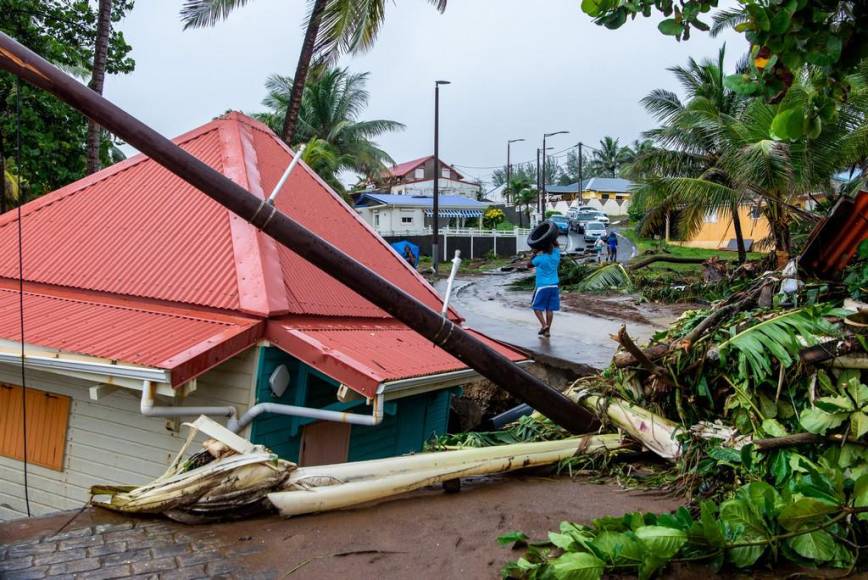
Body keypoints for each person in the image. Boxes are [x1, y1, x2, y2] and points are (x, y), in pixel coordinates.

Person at [529, 239, 560, 337]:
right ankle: (547, 331)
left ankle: (544, 325)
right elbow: (556, 245)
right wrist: (551, 237)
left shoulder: (539, 259)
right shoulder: (556, 255)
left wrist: (534, 253)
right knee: (549, 309)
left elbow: (529, 264)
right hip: (554, 286)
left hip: (542, 286)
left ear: (542, 248)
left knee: (536, 307)